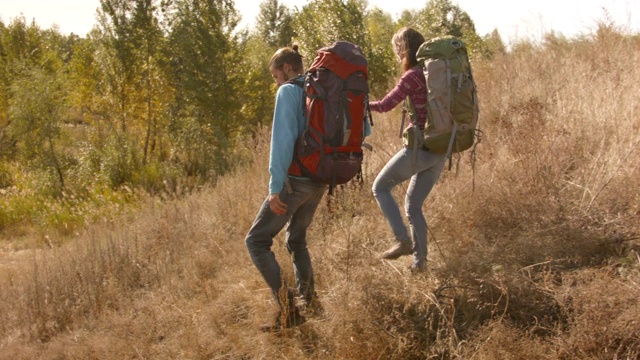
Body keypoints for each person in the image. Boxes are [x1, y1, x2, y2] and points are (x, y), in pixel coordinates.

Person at [245, 45, 326, 332]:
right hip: (321, 179)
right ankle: (310, 300)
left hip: (295, 182)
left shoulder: (289, 91)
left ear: (287, 68)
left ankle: (289, 310)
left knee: (256, 241)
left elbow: (281, 142)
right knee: (296, 240)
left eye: (275, 75)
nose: (276, 82)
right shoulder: (321, 88)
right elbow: (363, 130)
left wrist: (275, 188)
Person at [369, 27, 447, 272]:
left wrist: (359, 103)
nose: (396, 53)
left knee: (380, 187)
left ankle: (403, 241)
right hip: (440, 148)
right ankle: (420, 267)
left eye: (397, 49)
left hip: (421, 148)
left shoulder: (412, 76)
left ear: (403, 49)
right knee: (413, 206)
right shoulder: (434, 72)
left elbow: (384, 105)